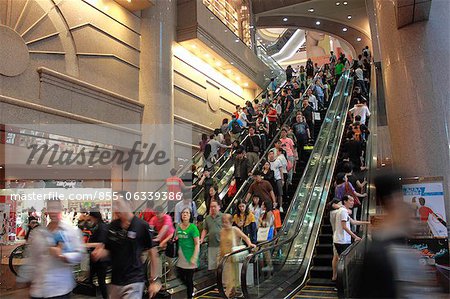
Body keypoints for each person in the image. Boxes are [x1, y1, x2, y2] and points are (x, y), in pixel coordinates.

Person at [92, 195, 158, 299]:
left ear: (129, 204)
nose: (116, 208)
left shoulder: (142, 226)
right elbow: (108, 249)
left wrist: (153, 280)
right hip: (115, 281)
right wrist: (100, 253)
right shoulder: (113, 226)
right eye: (114, 205)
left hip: (134, 280)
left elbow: (153, 252)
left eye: (118, 204)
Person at [20, 198, 84, 299]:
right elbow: (32, 259)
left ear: (61, 209)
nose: (53, 211)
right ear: (46, 210)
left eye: (56, 208)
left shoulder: (71, 231)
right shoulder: (38, 233)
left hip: (59, 289)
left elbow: (79, 254)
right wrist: (25, 279)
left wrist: (62, 256)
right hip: (38, 289)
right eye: (51, 208)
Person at [220, 214, 256, 298]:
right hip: (225, 259)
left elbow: (245, 237)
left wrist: (250, 244)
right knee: (228, 279)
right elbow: (221, 245)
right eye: (223, 222)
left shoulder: (235, 230)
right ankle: (232, 292)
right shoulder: (222, 231)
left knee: (231, 280)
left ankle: (227, 295)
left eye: (226, 222)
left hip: (232, 258)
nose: (224, 224)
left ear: (231, 222)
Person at [176, 208, 200, 299]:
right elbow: (177, 238)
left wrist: (195, 256)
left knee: (189, 279)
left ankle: (190, 296)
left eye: (187, 213)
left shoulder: (193, 228)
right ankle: (191, 288)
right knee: (180, 276)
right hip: (181, 257)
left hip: (190, 257)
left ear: (190, 215)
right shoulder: (178, 227)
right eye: (183, 213)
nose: (185, 214)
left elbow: (197, 243)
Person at [86, 210, 109, 299]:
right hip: (98, 259)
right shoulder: (101, 226)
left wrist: (88, 245)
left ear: (94, 217)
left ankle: (105, 297)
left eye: (90, 218)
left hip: (100, 259)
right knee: (95, 278)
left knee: (101, 281)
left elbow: (101, 243)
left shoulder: (101, 227)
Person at [200, 200, 223, 270]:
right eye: (211, 207)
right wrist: (202, 239)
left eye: (214, 206)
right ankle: (216, 279)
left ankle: (221, 280)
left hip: (221, 245)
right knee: (213, 266)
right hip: (211, 245)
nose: (213, 208)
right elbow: (205, 229)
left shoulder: (223, 216)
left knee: (221, 265)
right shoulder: (207, 218)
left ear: (219, 207)